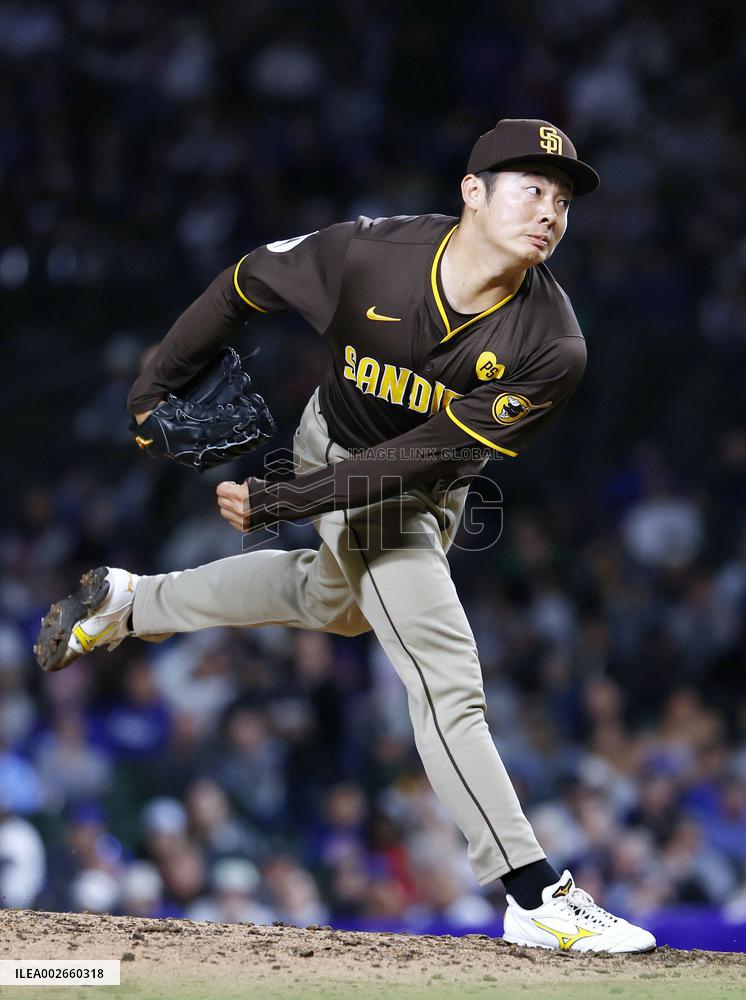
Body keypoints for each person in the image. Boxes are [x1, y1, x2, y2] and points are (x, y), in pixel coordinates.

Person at [36, 119, 655, 952]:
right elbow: (246, 280)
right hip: (338, 444)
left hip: (420, 479)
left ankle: (133, 602)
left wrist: (289, 501)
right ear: (471, 192)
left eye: (563, 199)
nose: (550, 210)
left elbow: (424, 456)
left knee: (334, 602)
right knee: (444, 673)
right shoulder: (370, 256)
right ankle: (534, 891)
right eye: (530, 188)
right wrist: (153, 388)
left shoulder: (552, 344)